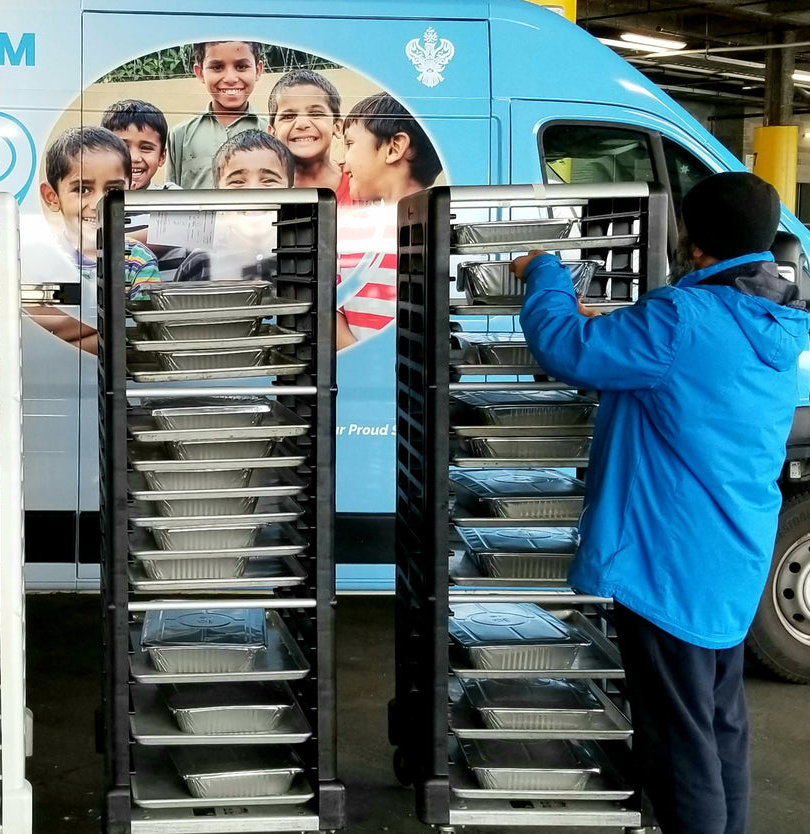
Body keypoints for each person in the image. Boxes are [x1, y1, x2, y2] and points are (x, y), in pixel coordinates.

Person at [511, 171, 810, 834]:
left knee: (678, 749)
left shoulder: (682, 319)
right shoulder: (772, 316)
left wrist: (548, 276)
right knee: (718, 723)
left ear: (695, 243)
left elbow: (566, 348)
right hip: (729, 557)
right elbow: (684, 361)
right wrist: (626, 322)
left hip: (666, 565)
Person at [35, 125, 161, 351]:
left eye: (112, 190)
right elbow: (31, 330)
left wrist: (66, 330)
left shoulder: (139, 262)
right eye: (82, 189)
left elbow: (142, 336)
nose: (97, 204)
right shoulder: (41, 259)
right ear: (52, 197)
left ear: (129, 192)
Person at [336, 92, 443, 349]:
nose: (343, 161)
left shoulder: (444, 238)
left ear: (394, 148)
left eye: (350, 144)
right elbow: (332, 311)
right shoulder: (349, 230)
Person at [174, 130, 293, 282]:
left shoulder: (307, 257)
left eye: (268, 180)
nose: (253, 192)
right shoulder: (199, 263)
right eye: (237, 182)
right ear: (217, 197)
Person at [167, 41, 267, 189]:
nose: (230, 78)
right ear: (200, 73)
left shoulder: (272, 132)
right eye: (217, 67)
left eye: (241, 66)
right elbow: (170, 200)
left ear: (258, 70)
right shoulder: (180, 135)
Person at [267, 68, 351, 202]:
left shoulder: (360, 186)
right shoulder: (265, 191)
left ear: (337, 126)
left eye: (316, 114)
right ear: (272, 133)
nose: (302, 123)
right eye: (289, 116)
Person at [100, 99, 180, 191]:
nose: (133, 158)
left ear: (162, 157)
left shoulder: (172, 199)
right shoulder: (91, 196)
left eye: (146, 148)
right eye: (123, 147)